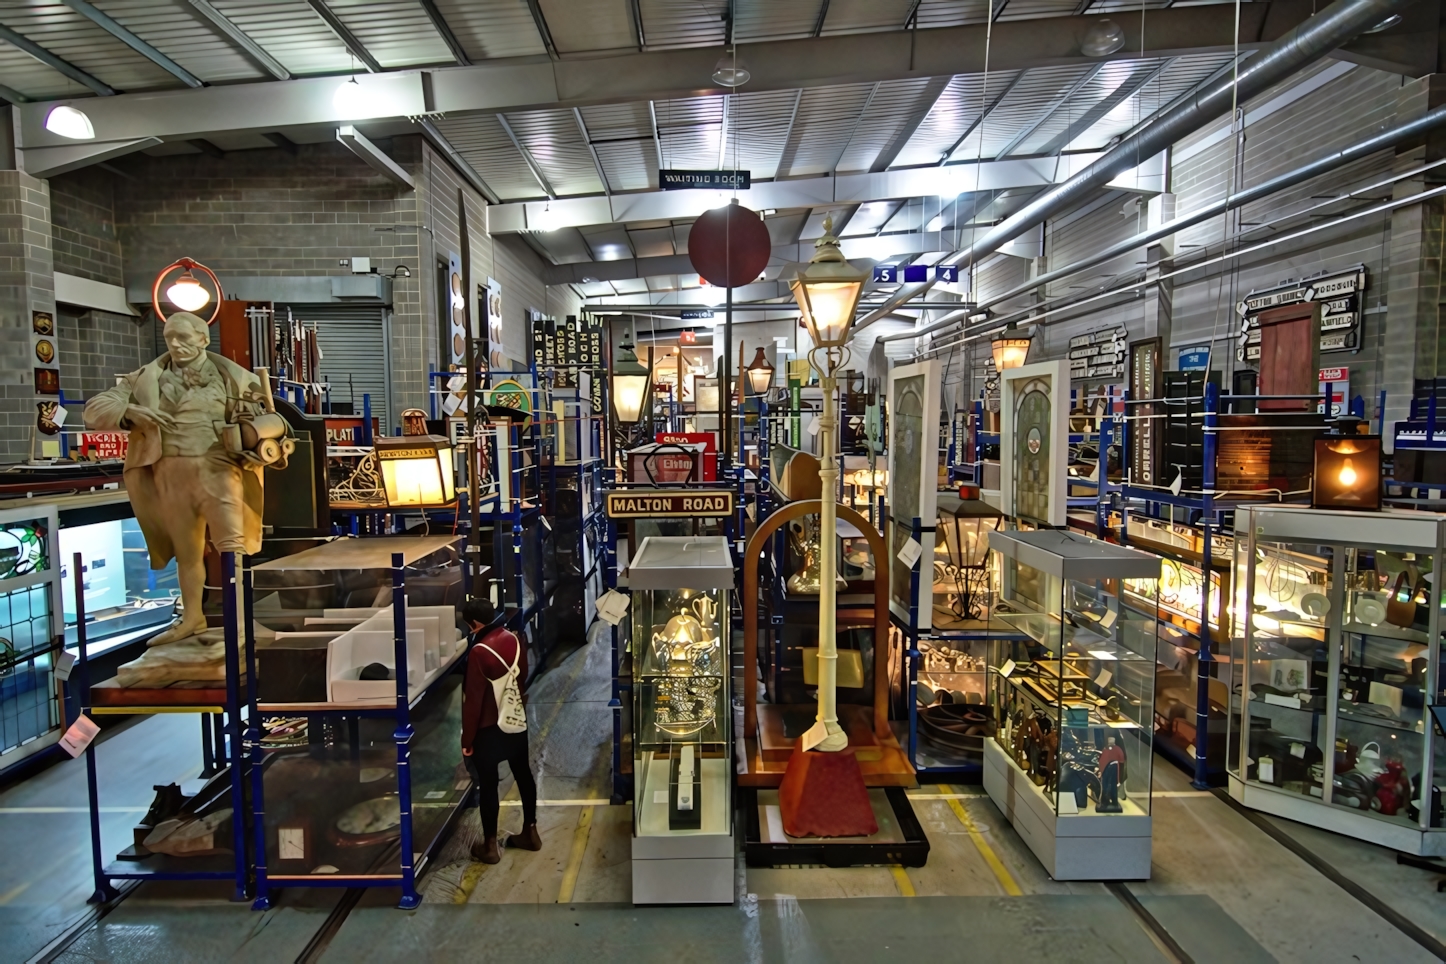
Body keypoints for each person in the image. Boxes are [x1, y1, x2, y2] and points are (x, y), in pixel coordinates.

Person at [83, 311, 276, 646]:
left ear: (203, 339)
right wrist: (129, 411)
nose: (176, 344)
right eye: (170, 337)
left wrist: (255, 433)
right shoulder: (144, 380)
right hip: (170, 473)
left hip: (219, 470)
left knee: (233, 549)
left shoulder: (236, 378)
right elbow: (93, 411)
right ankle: (192, 618)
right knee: (187, 553)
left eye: (184, 337)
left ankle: (240, 624)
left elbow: (271, 423)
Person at [460, 598, 541, 863]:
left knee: (489, 785)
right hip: (515, 720)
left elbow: (472, 700)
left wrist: (467, 739)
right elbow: (522, 675)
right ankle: (530, 831)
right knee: (524, 775)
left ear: (476, 624)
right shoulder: (515, 638)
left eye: (469, 626)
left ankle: (491, 846)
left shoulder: (479, 652)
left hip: (487, 729)